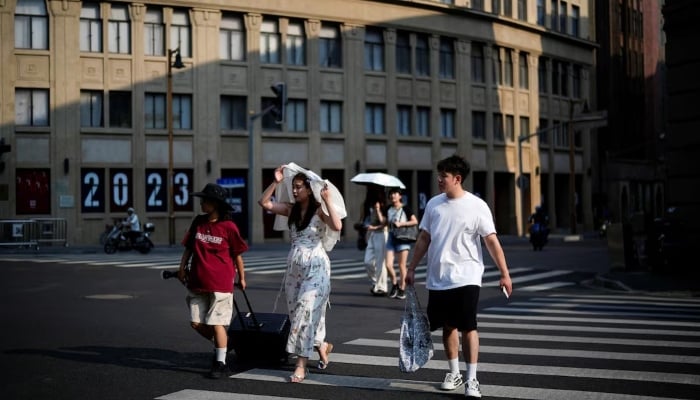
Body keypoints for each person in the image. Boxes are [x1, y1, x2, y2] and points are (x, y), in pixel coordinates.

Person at [405, 155, 512, 398]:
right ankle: (454, 373)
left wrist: (504, 274)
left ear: (457, 178)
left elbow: (491, 241)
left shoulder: (477, 206)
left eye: (443, 176)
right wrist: (411, 268)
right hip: (438, 276)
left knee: (468, 326)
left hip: (467, 275)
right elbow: (424, 238)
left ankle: (472, 379)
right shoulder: (434, 205)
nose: (439, 180)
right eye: (439, 175)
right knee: (447, 326)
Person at [258, 163, 345, 384]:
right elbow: (264, 203)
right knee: (298, 312)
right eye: (293, 187)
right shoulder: (290, 209)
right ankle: (321, 344)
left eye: (299, 187)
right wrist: (276, 182)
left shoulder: (318, 210)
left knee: (304, 314)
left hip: (317, 267)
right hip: (294, 268)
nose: (295, 191)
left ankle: (301, 365)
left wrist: (327, 201)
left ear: (309, 189)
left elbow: (337, 226)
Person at [176, 183, 248, 379]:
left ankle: (220, 363)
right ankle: (225, 343)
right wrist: (182, 268)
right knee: (196, 323)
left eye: (205, 200)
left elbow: (237, 254)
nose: (201, 203)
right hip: (197, 281)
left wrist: (241, 277)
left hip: (221, 283)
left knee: (217, 323)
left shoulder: (229, 227)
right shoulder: (198, 222)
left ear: (215, 204)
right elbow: (189, 248)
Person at [384, 187, 418, 300]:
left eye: (395, 193)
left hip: (403, 238)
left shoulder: (406, 208)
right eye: (391, 194)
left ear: (400, 196)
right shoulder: (388, 208)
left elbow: (415, 221)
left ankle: (402, 289)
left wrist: (402, 224)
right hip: (391, 237)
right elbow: (384, 223)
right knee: (388, 264)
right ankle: (394, 284)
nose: (393, 196)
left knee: (401, 265)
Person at [362, 186, 389, 296]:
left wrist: (378, 210)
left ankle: (382, 287)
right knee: (368, 261)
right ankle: (375, 282)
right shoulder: (369, 205)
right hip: (372, 235)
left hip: (382, 234)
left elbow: (384, 223)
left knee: (380, 262)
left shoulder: (384, 206)